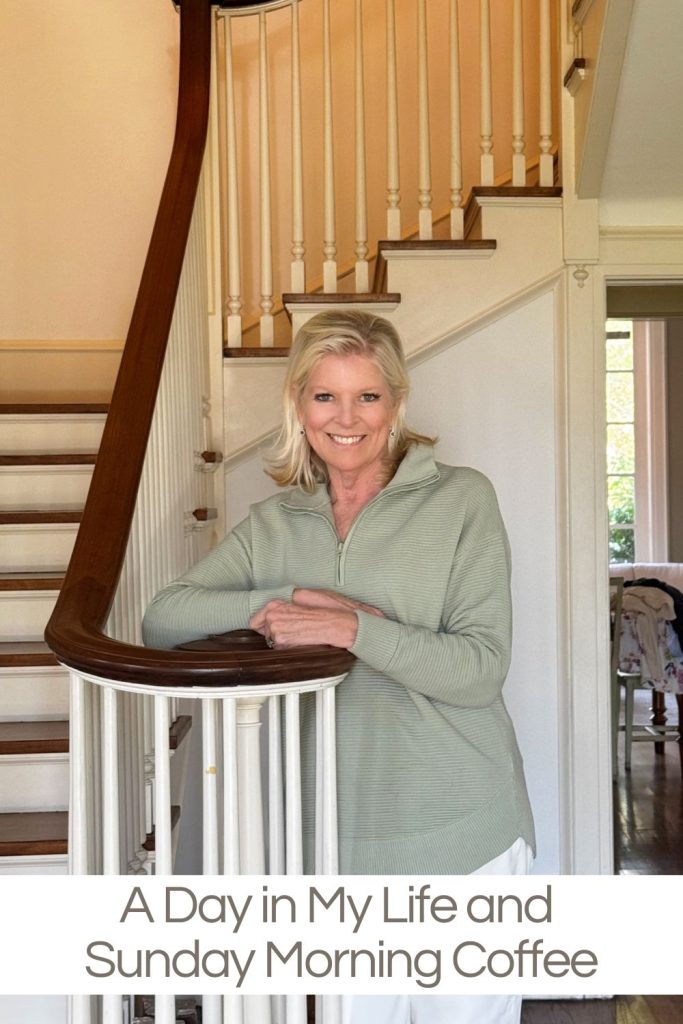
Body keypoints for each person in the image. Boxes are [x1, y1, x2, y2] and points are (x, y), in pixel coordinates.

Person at [142, 309, 535, 1023]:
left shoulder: (462, 498)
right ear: (298, 404)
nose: (346, 418)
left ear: (396, 403)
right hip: (329, 845)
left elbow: (480, 668)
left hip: (463, 835)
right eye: (325, 395)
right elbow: (163, 618)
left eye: (368, 396)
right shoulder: (274, 523)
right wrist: (285, 600)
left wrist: (350, 629)